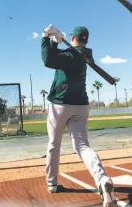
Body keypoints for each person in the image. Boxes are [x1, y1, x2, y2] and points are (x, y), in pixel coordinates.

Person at [41, 24, 117, 207]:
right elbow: (61, 56)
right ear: (86, 40)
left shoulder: (69, 55)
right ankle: (102, 179)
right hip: (81, 106)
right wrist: (56, 41)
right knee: (83, 147)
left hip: (60, 105)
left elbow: (47, 60)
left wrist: (47, 38)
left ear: (73, 38)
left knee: (54, 144)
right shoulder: (86, 55)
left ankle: (52, 182)